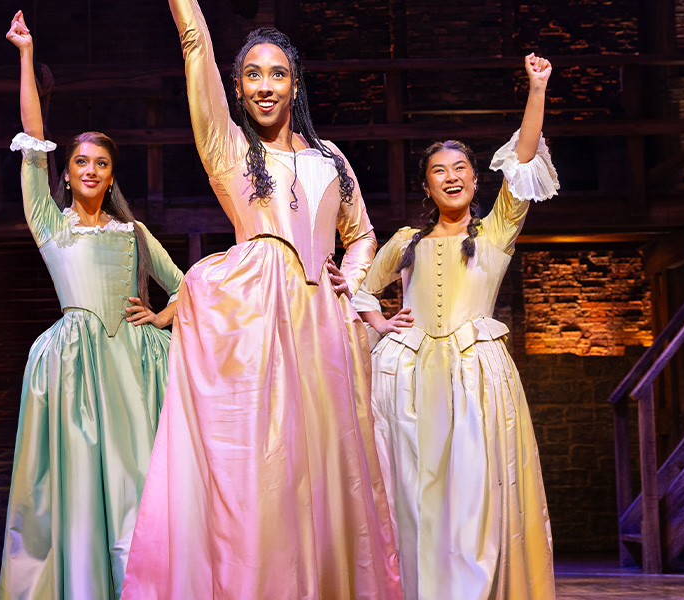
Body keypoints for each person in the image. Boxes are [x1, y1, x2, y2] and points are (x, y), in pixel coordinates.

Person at [120, 1, 401, 598]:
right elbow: (196, 45)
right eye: (253, 75)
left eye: (277, 74)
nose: (265, 85)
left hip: (323, 329)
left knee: (328, 467)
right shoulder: (227, 148)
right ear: (237, 88)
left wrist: (351, 283)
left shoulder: (332, 159)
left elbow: (362, 234)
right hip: (257, 321)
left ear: (295, 84)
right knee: (266, 465)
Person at [355, 54, 559, 600]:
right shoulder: (407, 241)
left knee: (473, 493)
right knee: (414, 491)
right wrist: (381, 322)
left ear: (474, 177)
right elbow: (361, 291)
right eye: (439, 171)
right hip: (409, 379)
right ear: (427, 186)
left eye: (460, 168)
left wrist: (536, 89)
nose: (451, 177)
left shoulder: (496, 231)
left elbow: (522, 158)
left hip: (474, 378)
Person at [0, 12, 186, 600]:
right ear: (68, 172)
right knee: (78, 482)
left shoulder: (133, 234)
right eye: (81, 161)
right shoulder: (50, 224)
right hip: (74, 366)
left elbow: (186, 286)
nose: (90, 170)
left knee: (135, 483)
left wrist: (160, 318)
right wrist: (26, 56)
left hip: (131, 364)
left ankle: (139, 586)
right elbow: (33, 140)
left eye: (100, 163)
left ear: (110, 176)